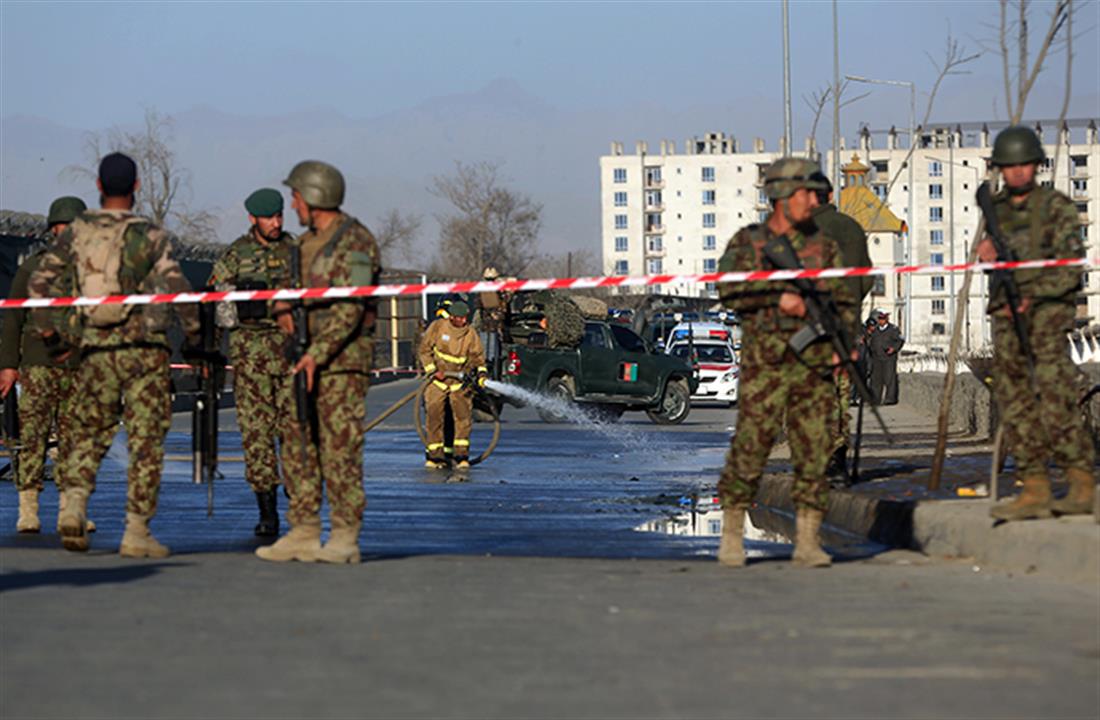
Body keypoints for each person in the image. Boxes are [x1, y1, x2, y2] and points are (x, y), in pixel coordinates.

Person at [28, 153, 200, 556]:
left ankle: (73, 505)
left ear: (99, 187)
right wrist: (194, 338)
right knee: (145, 441)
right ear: (136, 186)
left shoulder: (77, 232)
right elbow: (179, 288)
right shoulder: (149, 234)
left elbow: (39, 284)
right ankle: (136, 532)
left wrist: (52, 337)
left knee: (89, 431)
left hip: (97, 349)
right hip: (145, 352)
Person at [715, 157, 855, 568]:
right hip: (767, 365)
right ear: (781, 195)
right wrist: (778, 298)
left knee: (815, 450)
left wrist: (844, 345)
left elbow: (844, 301)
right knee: (751, 446)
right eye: (806, 193)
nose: (814, 201)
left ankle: (808, 539)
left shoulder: (825, 247)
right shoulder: (750, 243)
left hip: (813, 365)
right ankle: (731, 534)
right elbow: (727, 290)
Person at [257, 160, 381, 564]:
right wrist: (281, 307)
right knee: (297, 444)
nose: (293, 206)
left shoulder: (355, 241)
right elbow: (285, 288)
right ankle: (304, 530)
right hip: (302, 357)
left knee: (339, 448)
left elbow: (350, 307)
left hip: (342, 363)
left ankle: (344, 535)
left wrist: (317, 354)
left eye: (296, 197)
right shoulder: (302, 246)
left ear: (314, 197)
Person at [980, 125, 1095, 521]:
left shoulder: (1055, 207)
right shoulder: (996, 210)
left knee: (1055, 394)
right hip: (1006, 315)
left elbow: (1070, 268)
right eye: (1010, 166)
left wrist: (1034, 295)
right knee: (1014, 400)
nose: (1018, 172)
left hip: (1046, 315)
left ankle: (1080, 481)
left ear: (1036, 165)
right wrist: (987, 254)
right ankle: (1034, 485)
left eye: (1024, 164)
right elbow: (993, 264)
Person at [206, 188, 296, 537]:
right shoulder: (235, 255)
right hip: (250, 357)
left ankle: (298, 495)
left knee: (296, 431)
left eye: (279, 216)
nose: (276, 223)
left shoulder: (295, 251)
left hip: (289, 354)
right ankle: (267, 510)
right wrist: (210, 353)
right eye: (268, 218)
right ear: (252, 219)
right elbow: (216, 303)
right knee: (257, 436)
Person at [1, 197, 87, 533]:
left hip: (79, 365)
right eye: (61, 228)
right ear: (53, 230)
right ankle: (28, 509)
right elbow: (12, 318)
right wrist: (9, 365)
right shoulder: (32, 268)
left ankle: (71, 510)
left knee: (75, 440)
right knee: (32, 436)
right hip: (38, 363)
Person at [810, 172, 873, 479]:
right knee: (840, 392)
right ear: (831, 195)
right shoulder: (851, 227)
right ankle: (838, 456)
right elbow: (867, 278)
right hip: (846, 324)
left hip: (811, 326)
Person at [418, 300, 488, 469]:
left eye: (465, 318)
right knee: (434, 418)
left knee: (463, 420)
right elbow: (424, 351)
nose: (463, 321)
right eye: (459, 318)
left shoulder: (470, 334)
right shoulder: (437, 327)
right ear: (451, 317)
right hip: (437, 382)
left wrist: (481, 374)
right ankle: (435, 457)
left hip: (459, 384)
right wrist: (433, 371)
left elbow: (478, 358)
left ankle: (461, 456)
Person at [868, 309, 904, 405]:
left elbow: (900, 341)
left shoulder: (893, 330)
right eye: (880, 319)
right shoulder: (875, 330)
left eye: (883, 319)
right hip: (877, 358)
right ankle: (875, 399)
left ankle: (890, 399)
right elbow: (871, 341)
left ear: (887, 319)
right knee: (876, 379)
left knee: (889, 378)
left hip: (889, 358)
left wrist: (894, 348)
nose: (881, 321)